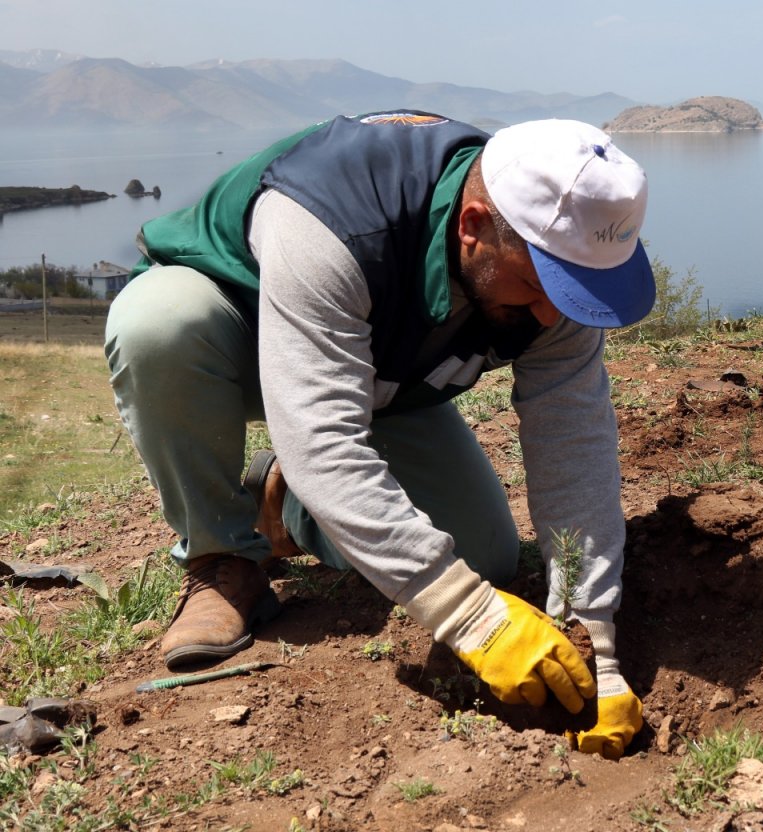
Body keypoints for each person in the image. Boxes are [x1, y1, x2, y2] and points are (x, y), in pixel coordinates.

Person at [104, 111, 654, 760]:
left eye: (571, 291)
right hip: (241, 338)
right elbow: (322, 436)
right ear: (473, 227)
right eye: (538, 288)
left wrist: (593, 635)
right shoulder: (332, 218)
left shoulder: (553, 255)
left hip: (381, 376)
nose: (551, 314)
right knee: (158, 324)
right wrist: (472, 619)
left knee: (483, 560)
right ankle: (221, 555)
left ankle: (290, 499)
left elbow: (574, 442)